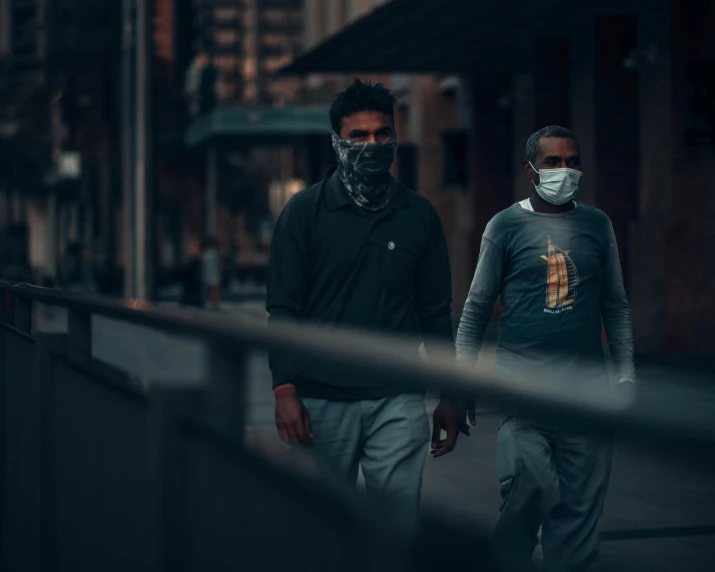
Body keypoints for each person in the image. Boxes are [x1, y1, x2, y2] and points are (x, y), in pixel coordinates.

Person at [266, 79, 467, 523]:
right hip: (320, 400)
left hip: (397, 397)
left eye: (382, 134)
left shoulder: (419, 216)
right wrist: (284, 391)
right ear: (338, 141)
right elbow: (283, 309)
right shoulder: (304, 212)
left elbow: (435, 312)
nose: (372, 144)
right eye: (359, 136)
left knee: (395, 530)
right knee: (319, 527)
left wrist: (451, 393)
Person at [456, 125, 635, 571]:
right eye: (553, 162)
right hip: (525, 390)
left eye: (573, 161)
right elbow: (476, 308)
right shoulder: (505, 226)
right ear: (530, 169)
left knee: (578, 514)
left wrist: (625, 374)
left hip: (588, 391)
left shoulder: (597, 224)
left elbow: (614, 304)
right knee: (531, 486)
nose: (565, 170)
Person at [201, 236, 221, 310]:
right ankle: (215, 303)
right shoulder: (214, 253)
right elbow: (219, 263)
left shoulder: (205, 254)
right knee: (215, 289)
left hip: (210, 273)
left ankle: (214, 303)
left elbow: (203, 265)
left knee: (212, 289)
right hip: (213, 273)